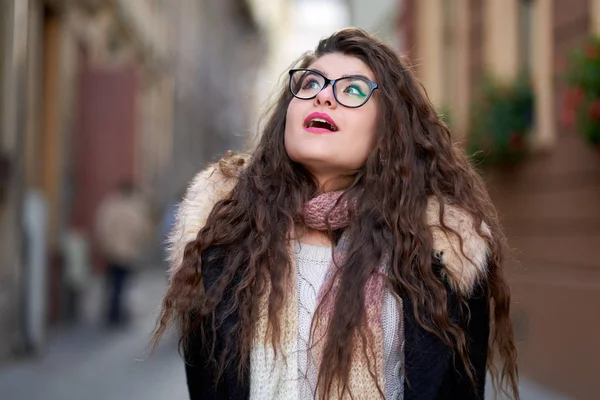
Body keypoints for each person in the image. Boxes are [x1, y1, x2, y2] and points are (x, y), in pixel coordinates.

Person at [152, 29, 519, 400]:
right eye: (311, 84)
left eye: (353, 89)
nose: (323, 96)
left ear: (388, 129)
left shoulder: (440, 257)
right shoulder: (224, 240)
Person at [95, 180, 150, 327]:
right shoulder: (135, 207)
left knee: (113, 283)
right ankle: (119, 314)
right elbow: (141, 230)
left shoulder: (110, 206)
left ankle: (112, 313)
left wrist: (106, 245)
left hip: (112, 252)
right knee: (124, 285)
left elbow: (102, 227)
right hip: (129, 253)